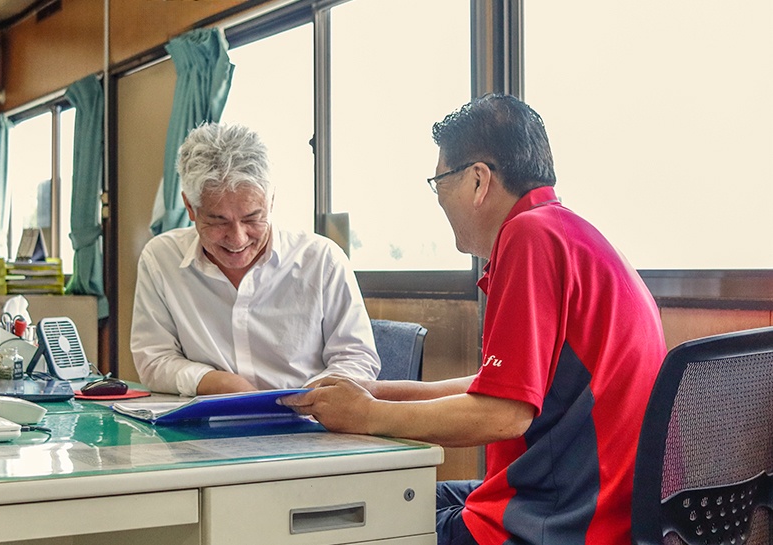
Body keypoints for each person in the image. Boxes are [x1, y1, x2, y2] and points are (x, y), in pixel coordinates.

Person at [280, 94, 667, 545]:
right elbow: (498, 388)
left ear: (479, 180)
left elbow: (503, 416)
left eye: (440, 180)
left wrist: (367, 414)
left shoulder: (530, 236)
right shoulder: (573, 234)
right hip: (605, 505)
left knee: (354, 517)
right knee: (395, 498)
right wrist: (379, 391)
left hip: (563, 522)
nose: (439, 197)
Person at [130, 122, 380, 397]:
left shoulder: (322, 260)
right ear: (190, 207)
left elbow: (357, 358)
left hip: (309, 424)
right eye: (217, 220)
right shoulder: (161, 259)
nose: (237, 239)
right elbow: (154, 359)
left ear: (271, 201)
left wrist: (303, 401)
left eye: (252, 218)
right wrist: (217, 383)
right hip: (204, 424)